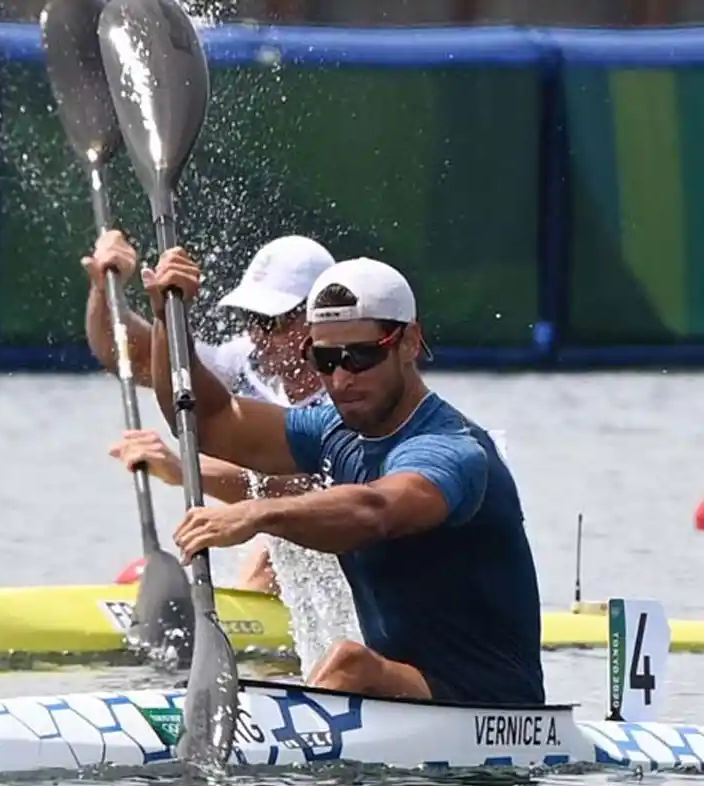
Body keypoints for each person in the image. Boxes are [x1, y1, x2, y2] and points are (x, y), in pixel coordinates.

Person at [91, 230, 544, 705]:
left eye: (362, 356)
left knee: (351, 664)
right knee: (353, 666)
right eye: (325, 359)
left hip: (497, 708)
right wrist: (169, 316)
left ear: (409, 342)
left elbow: (375, 511)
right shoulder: (331, 427)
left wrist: (257, 514)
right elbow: (210, 420)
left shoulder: (451, 450)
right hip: (408, 698)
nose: (342, 377)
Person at [84, 235, 331, 594]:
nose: (260, 336)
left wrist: (183, 469)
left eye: (274, 322)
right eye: (252, 318)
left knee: (274, 545)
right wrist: (107, 289)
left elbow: (306, 492)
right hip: (288, 547)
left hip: (346, 552)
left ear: (319, 317)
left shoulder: (351, 393)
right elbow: (133, 356)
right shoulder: (245, 362)